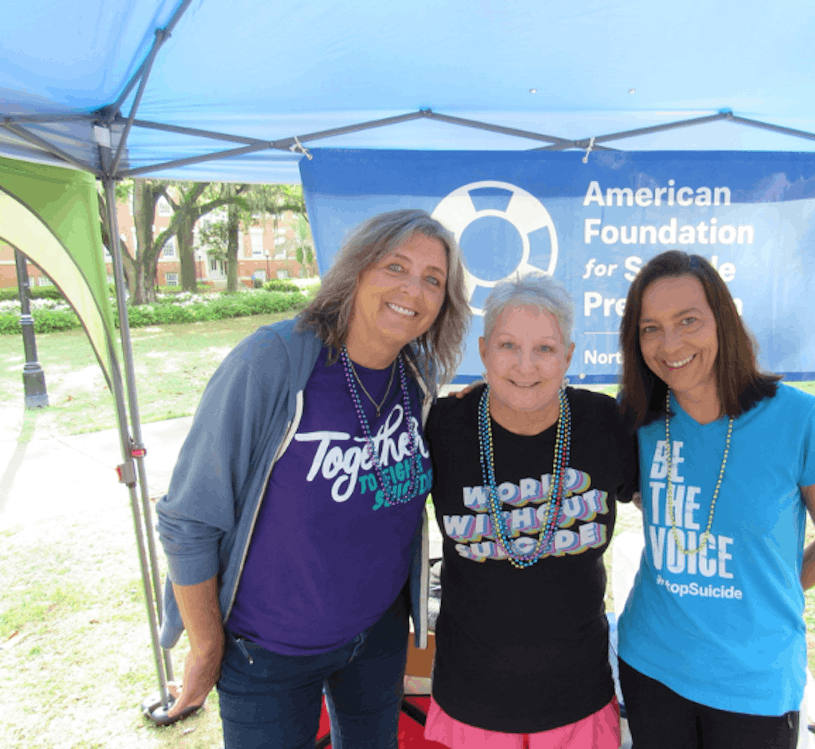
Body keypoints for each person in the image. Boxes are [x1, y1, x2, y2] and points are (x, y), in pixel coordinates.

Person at [154, 209, 471, 748]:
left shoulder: (415, 378)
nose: (412, 290)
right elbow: (189, 519)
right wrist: (206, 648)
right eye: (396, 267)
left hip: (377, 639)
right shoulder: (273, 362)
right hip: (266, 654)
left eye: (433, 280)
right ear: (357, 270)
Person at [615, 250, 815, 749]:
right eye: (650, 328)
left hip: (755, 681)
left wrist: (767, 599)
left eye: (688, 321)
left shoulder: (799, 419)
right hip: (651, 663)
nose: (670, 344)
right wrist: (480, 400)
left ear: (722, 321)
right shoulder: (636, 417)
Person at [422, 274, 634, 749]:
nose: (524, 365)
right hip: (472, 695)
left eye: (544, 349)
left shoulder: (608, 424)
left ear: (569, 356)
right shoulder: (441, 425)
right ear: (483, 351)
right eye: (508, 345)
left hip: (577, 696)